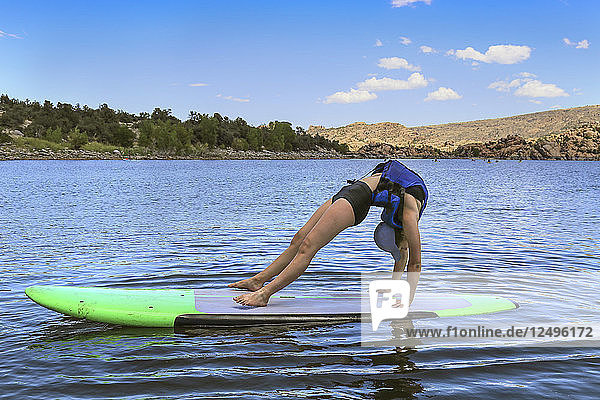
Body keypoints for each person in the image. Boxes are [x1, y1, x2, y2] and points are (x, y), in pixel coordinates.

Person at [229, 160, 428, 307]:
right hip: (352, 191)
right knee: (299, 238)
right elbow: (404, 256)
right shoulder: (410, 204)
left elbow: (412, 260)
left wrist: (405, 300)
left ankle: (265, 294)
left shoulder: (409, 210)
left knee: (308, 246)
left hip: (358, 199)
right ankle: (258, 281)